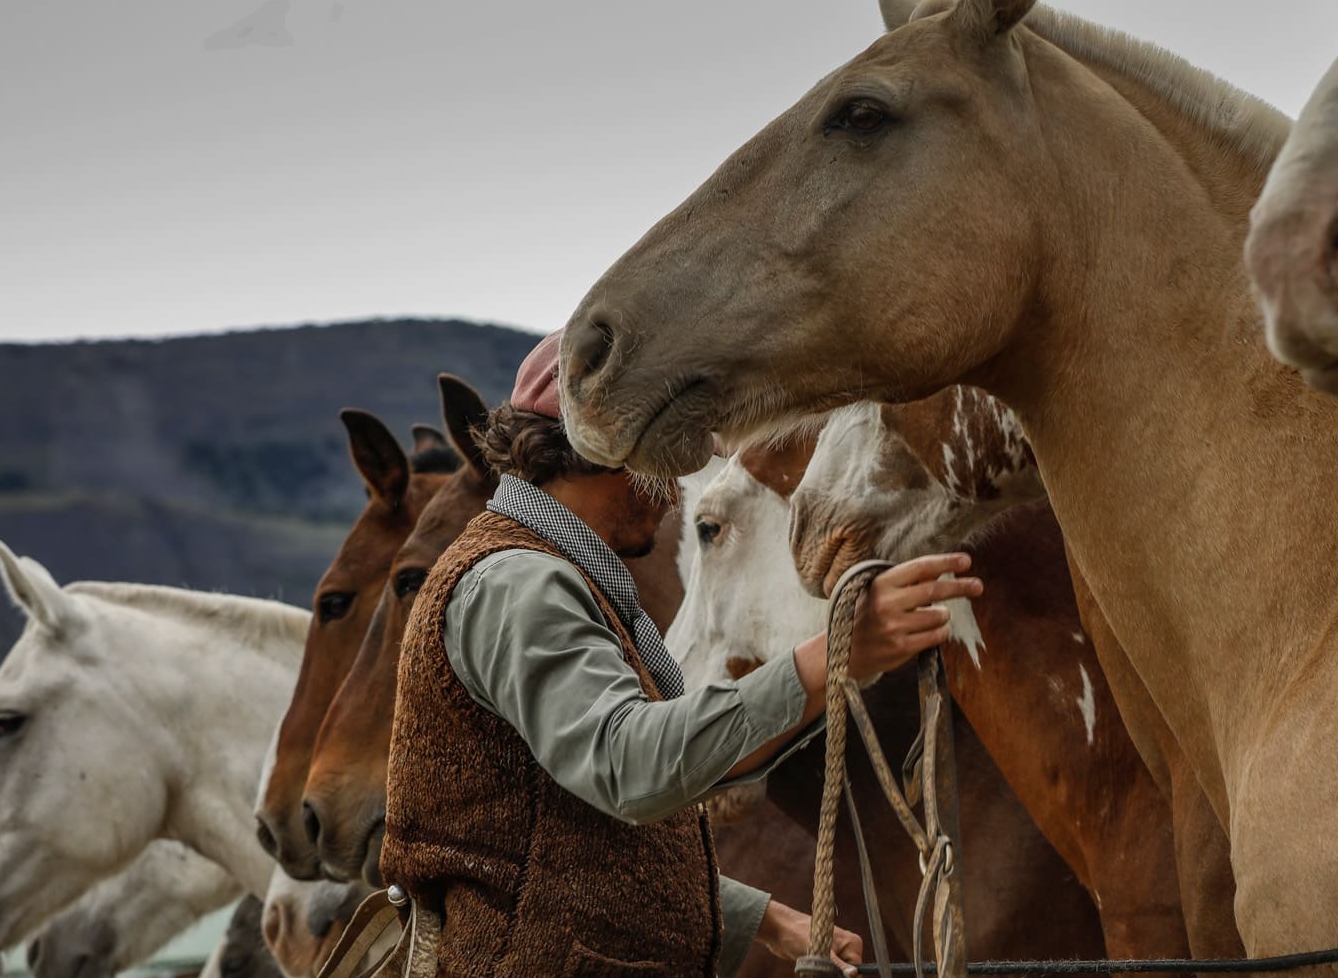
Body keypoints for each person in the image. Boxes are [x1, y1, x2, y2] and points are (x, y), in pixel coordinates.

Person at [371, 331, 984, 977]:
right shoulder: (520, 584)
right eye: (668, 464)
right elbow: (630, 766)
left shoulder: (548, 573)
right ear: (608, 451)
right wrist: (831, 657)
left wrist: (763, 919)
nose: (671, 498)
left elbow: (575, 834)